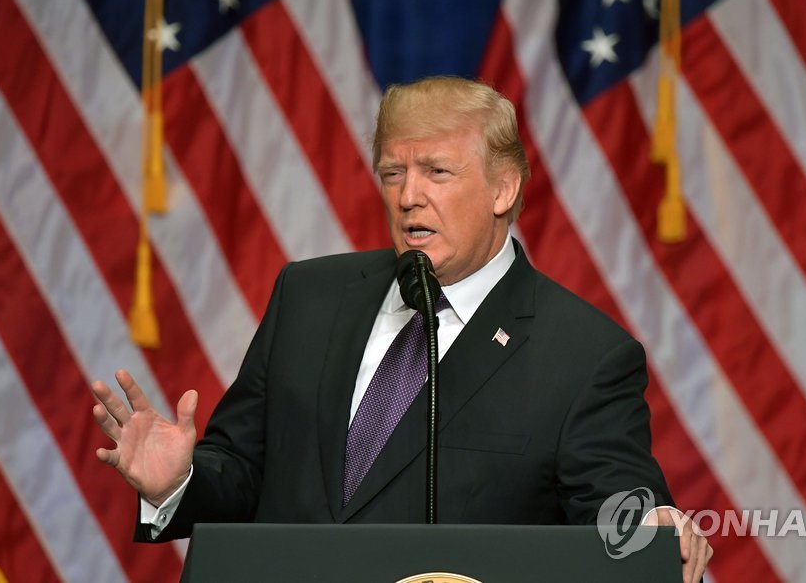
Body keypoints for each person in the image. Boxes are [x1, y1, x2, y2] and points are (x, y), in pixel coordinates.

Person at [92, 77, 712, 581]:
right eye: (393, 173)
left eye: (437, 172)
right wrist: (180, 482)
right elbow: (242, 470)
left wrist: (655, 531)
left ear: (504, 188)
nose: (408, 195)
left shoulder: (582, 355)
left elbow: (617, 511)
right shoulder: (307, 298)